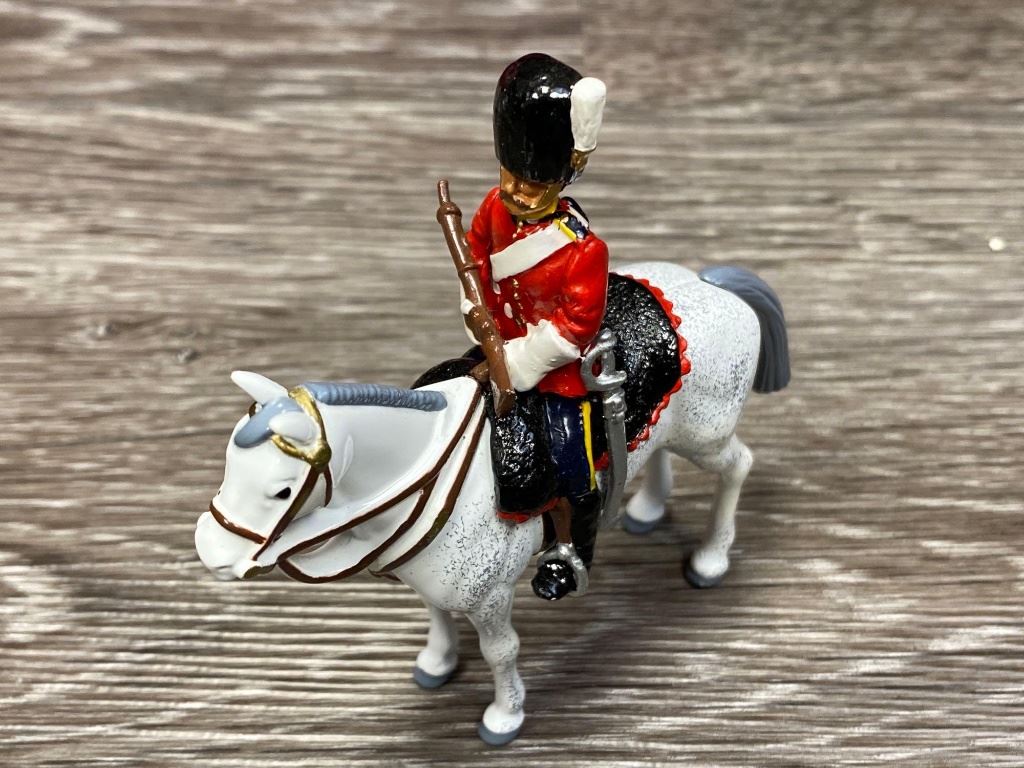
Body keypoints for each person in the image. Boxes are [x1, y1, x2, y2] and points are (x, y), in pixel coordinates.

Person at [462, 53, 609, 601]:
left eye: (536, 183)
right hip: (493, 341)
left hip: (552, 372)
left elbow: (576, 327)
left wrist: (517, 362)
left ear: (563, 176)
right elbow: (476, 257)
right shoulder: (493, 209)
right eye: (514, 177)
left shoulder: (582, 250)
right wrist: (474, 311)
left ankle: (571, 551)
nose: (520, 193)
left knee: (574, 468)